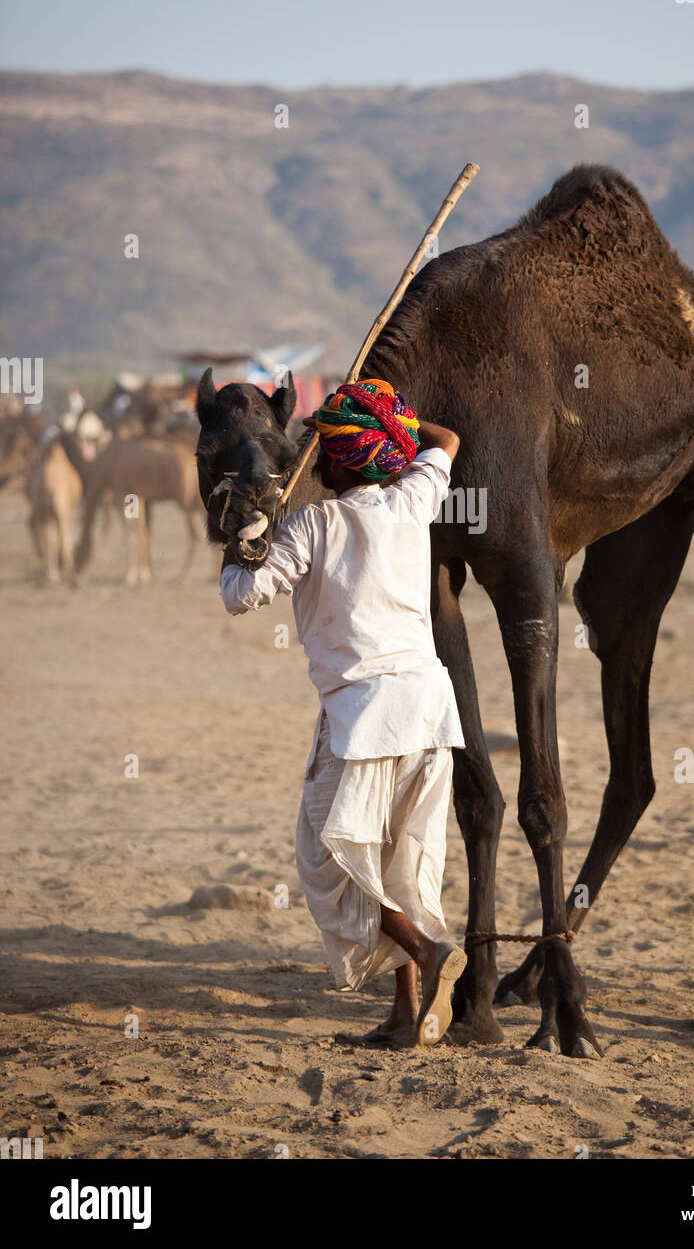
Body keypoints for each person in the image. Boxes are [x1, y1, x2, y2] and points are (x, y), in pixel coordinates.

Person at [220, 378, 466, 1049]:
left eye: (323, 446)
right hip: (429, 709)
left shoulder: (313, 525)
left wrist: (247, 531)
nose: (313, 456)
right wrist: (393, 422)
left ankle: (428, 952)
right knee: (399, 861)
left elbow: (240, 595)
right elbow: (444, 440)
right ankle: (403, 1014)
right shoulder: (414, 499)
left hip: (364, 717)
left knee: (330, 861)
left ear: (339, 460)